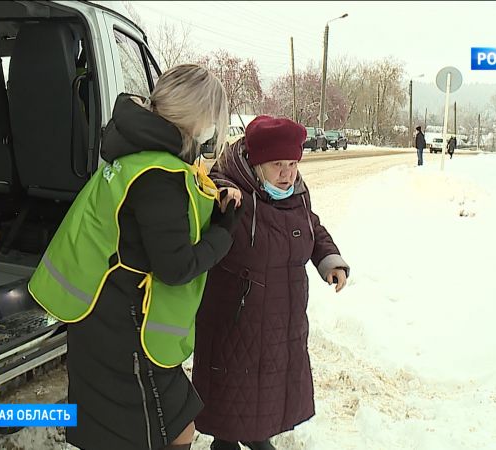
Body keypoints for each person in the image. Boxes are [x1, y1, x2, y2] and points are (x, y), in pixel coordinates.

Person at [28, 64, 243, 450]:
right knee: (173, 427)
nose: (212, 130)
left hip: (101, 311)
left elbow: (159, 217)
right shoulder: (159, 176)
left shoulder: (134, 154)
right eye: (212, 120)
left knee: (115, 430)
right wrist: (224, 232)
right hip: (128, 324)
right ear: (196, 118)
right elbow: (176, 266)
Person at [192, 116, 350, 450]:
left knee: (267, 387)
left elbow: (312, 226)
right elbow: (205, 210)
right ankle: (232, 442)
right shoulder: (231, 190)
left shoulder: (296, 192)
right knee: (237, 387)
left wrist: (329, 259)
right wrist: (220, 200)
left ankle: (250, 438)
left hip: (283, 312)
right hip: (238, 316)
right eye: (278, 164)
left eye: (293, 163)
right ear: (255, 161)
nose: (287, 173)